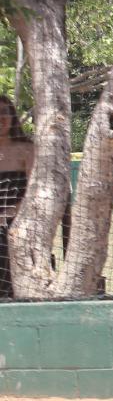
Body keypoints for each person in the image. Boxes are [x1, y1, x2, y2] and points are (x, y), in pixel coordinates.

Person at [0, 94, 34, 298]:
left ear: (12, 116)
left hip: (17, 227)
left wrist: (8, 215)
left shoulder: (26, 150)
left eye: (4, 113)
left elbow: (36, 193)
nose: (0, 119)